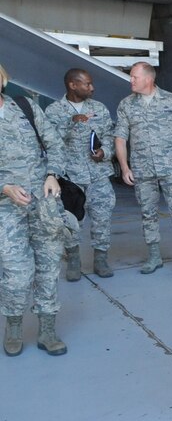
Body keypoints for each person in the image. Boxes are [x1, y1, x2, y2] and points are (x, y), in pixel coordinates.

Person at [0, 63, 69, 357]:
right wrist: (4, 187)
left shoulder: (25, 106)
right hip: (6, 209)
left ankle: (47, 329)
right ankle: (14, 326)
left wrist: (53, 173)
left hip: (44, 203)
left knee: (49, 267)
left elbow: (55, 144)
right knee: (16, 273)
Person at [113, 61, 172, 276]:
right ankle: (154, 257)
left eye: (135, 77)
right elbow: (120, 138)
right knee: (148, 214)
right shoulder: (126, 105)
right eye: (131, 76)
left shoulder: (171, 101)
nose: (131, 81)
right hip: (142, 171)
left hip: (171, 169)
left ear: (148, 79)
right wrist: (124, 168)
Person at [44, 69, 116, 281]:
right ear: (73, 85)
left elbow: (110, 137)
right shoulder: (54, 111)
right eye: (87, 84)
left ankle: (101, 258)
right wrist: (71, 122)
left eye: (91, 84)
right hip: (71, 178)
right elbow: (50, 143)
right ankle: (73, 258)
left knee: (103, 217)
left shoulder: (99, 108)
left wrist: (105, 152)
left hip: (99, 175)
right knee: (71, 220)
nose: (92, 88)